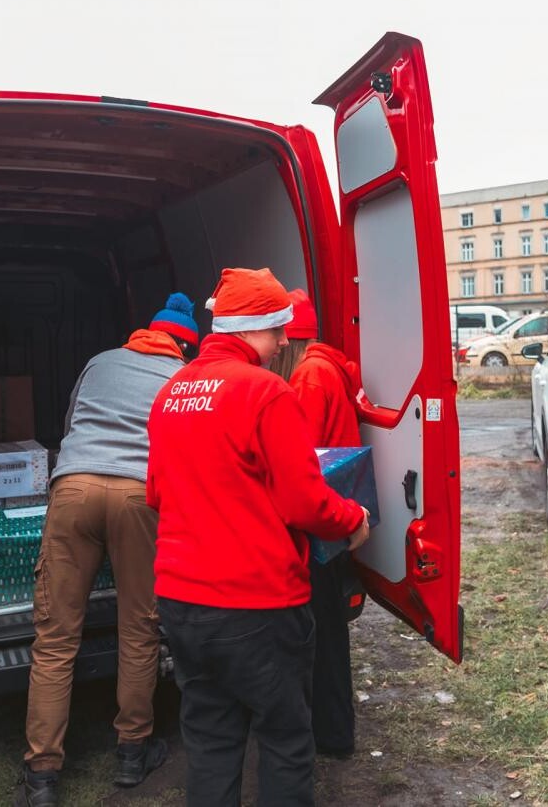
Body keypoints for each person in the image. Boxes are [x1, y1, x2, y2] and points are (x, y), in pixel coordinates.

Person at [146, 268, 370, 807]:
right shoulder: (266, 392)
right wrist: (353, 519)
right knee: (287, 739)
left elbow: (156, 493)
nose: (283, 344)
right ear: (253, 330)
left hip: (182, 604)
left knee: (211, 741)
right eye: (277, 333)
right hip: (258, 604)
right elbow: (304, 501)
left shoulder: (171, 392)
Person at [15, 293, 199, 807]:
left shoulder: (99, 361)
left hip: (74, 488)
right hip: (141, 495)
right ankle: (133, 751)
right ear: (184, 344)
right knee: (139, 628)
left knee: (54, 637)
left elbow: (70, 423)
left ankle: (42, 774)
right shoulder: (182, 379)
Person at [271, 288, 366, 758]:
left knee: (320, 635)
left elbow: (296, 454)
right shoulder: (327, 368)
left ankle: (328, 735)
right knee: (329, 630)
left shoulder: (308, 377)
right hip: (333, 517)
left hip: (320, 522)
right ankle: (334, 731)